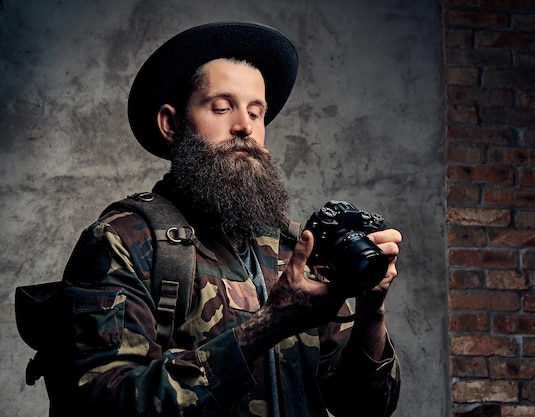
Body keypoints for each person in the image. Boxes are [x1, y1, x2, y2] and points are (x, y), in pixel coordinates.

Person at [50, 21, 402, 417]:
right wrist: (269, 324)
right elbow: (103, 404)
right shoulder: (123, 240)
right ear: (171, 124)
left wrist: (373, 311)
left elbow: (368, 407)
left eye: (257, 112)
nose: (245, 126)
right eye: (222, 107)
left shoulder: (293, 250)